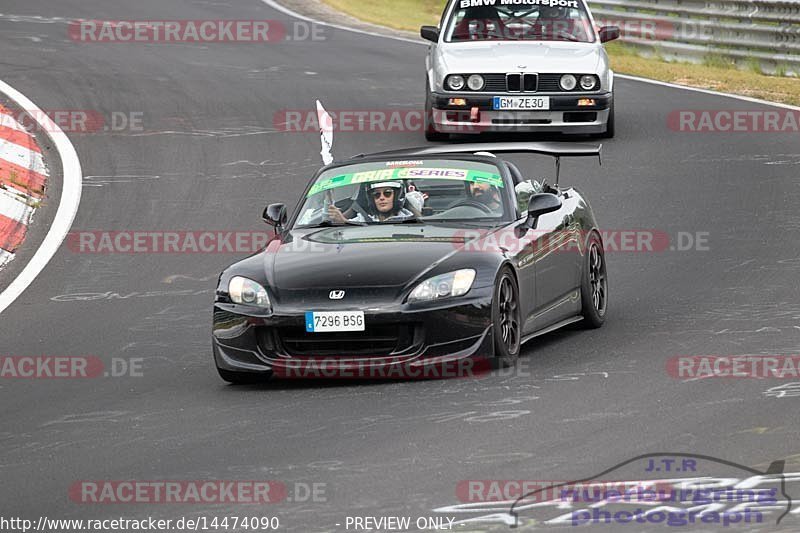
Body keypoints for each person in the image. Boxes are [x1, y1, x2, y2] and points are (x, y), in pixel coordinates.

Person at [327, 181, 421, 223]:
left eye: (387, 193)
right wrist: (342, 221)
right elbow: (348, 229)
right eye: (376, 195)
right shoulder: (362, 219)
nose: (381, 198)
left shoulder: (410, 219)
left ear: (397, 196)